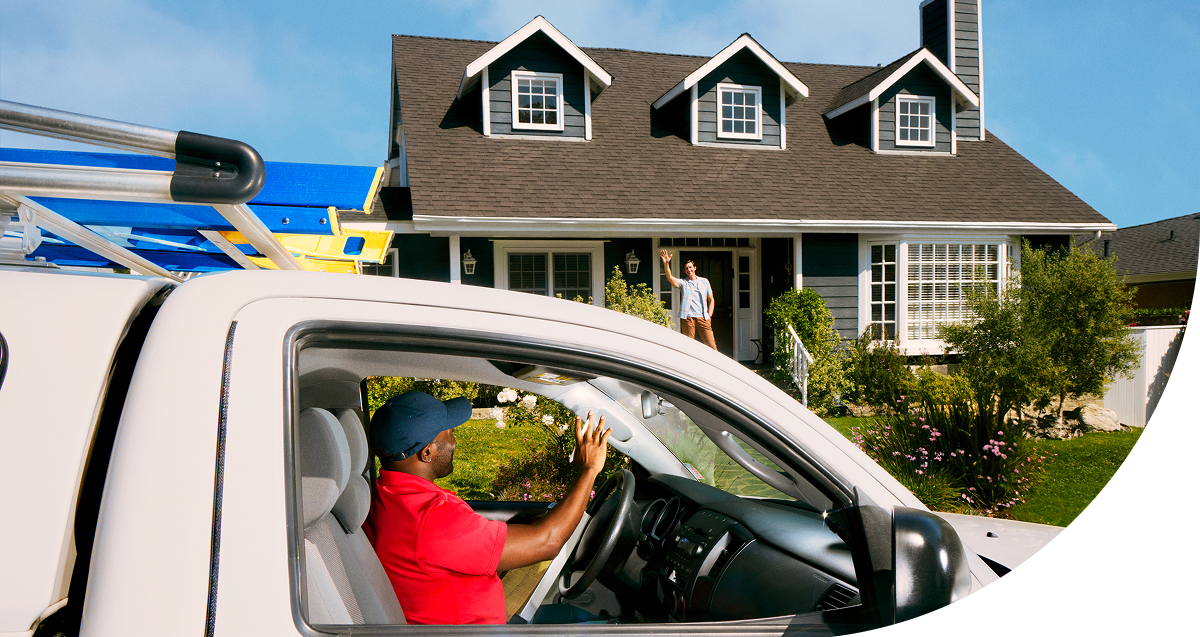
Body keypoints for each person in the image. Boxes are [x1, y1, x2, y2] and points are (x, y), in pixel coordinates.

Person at [365, 391, 612, 625]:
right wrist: (589, 469)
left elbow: (450, 552)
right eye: (449, 433)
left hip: (478, 620)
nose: (454, 440)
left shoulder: (386, 495)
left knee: (573, 616)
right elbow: (549, 541)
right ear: (427, 452)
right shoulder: (432, 518)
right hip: (481, 631)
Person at [660, 249, 717, 350]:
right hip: (688, 318)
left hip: (703, 318)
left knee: (712, 346)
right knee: (688, 347)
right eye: (686, 268)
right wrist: (666, 264)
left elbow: (711, 300)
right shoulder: (683, 283)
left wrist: (709, 315)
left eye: (690, 267)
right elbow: (670, 278)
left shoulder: (704, 281)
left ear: (695, 268)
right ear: (684, 271)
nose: (689, 270)